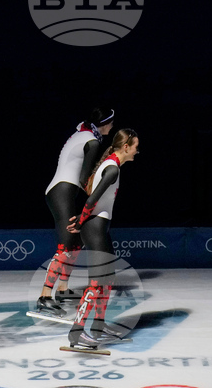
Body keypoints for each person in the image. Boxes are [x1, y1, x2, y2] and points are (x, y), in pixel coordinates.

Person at [35, 107, 115, 317]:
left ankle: (62, 289)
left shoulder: (84, 134)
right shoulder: (92, 141)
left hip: (62, 190)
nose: (113, 127)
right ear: (104, 124)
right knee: (66, 246)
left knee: (75, 243)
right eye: (111, 123)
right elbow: (83, 178)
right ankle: (44, 297)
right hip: (62, 190)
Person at [66, 128, 140, 351]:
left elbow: (93, 201)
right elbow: (92, 199)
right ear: (125, 147)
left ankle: (98, 326)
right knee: (97, 283)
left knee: (108, 280)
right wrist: (80, 221)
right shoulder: (112, 169)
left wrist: (82, 218)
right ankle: (76, 333)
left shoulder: (111, 165)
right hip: (94, 228)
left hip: (99, 226)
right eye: (136, 146)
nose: (137, 151)